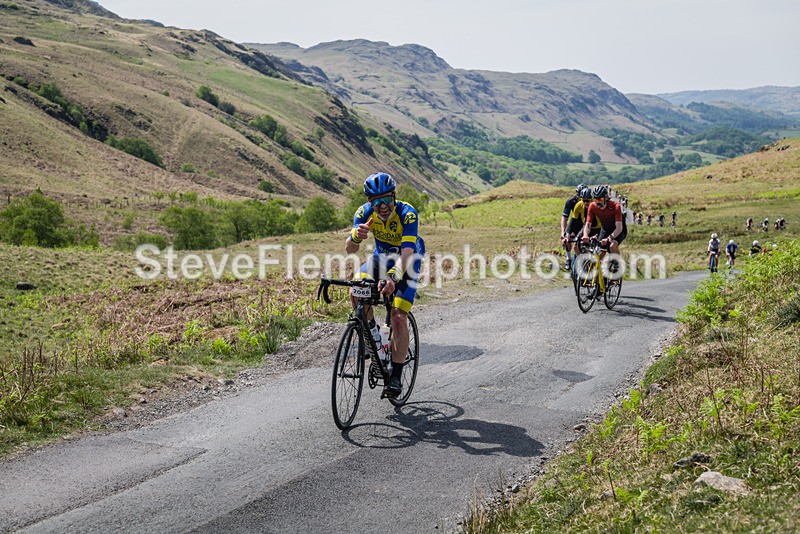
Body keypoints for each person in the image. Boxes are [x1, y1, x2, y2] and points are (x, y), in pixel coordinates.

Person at [346, 172, 424, 398]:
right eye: (376, 201)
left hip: (408, 258)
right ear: (369, 202)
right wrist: (356, 236)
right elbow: (350, 249)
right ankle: (374, 339)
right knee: (355, 291)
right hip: (381, 257)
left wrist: (393, 277)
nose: (382, 206)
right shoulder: (363, 213)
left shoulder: (407, 213)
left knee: (398, 316)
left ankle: (396, 378)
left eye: (387, 199)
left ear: (394, 195)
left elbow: (407, 253)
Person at [582, 185, 627, 283]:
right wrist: (585, 235)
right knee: (599, 253)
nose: (598, 201)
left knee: (612, 245)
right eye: (595, 199)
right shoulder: (592, 206)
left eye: (600, 199)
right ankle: (599, 281)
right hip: (605, 229)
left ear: (606, 198)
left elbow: (619, 228)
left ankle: (617, 265)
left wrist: (610, 237)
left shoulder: (615, 206)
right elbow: (588, 224)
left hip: (618, 230)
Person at [564, 187, 601, 267]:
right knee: (576, 246)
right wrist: (568, 234)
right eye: (583, 200)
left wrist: (597, 236)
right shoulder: (578, 205)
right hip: (586, 227)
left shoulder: (597, 206)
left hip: (599, 228)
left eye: (588, 200)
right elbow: (573, 220)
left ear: (592, 199)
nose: (586, 203)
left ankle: (596, 265)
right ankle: (583, 264)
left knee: (596, 250)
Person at [560, 183, 587, 270]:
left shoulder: (589, 202)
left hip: (586, 223)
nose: (580, 198)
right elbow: (565, 218)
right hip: (575, 222)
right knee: (567, 240)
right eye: (579, 196)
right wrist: (563, 232)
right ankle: (569, 259)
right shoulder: (571, 201)